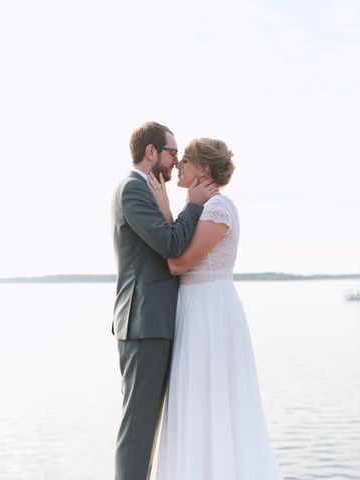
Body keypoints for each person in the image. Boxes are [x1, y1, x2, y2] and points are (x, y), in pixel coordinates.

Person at [147, 138, 283, 480]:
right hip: (192, 310)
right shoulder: (201, 207)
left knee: (216, 400)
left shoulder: (219, 209)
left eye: (186, 161)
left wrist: (165, 208)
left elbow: (178, 263)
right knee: (194, 402)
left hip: (211, 313)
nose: (178, 165)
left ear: (203, 170)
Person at [111, 122, 219, 480]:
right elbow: (171, 245)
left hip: (155, 321)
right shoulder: (132, 190)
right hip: (144, 323)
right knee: (138, 430)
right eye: (172, 152)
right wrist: (192, 205)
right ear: (151, 152)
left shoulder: (148, 191)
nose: (176, 162)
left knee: (148, 428)